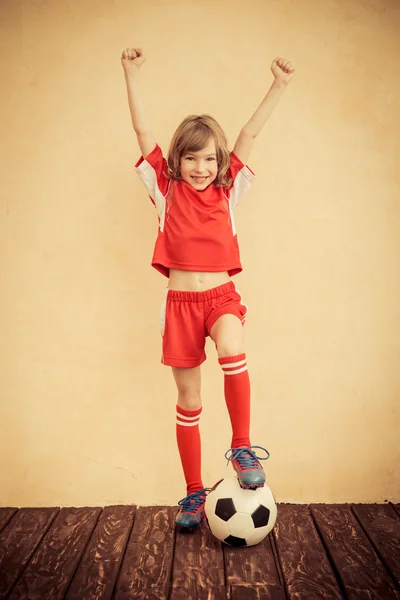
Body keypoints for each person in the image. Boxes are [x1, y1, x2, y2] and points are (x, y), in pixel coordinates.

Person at [121, 47, 295, 532]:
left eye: (209, 158)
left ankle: (242, 447)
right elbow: (142, 131)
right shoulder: (164, 187)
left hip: (220, 298)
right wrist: (131, 74)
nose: (200, 167)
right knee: (190, 401)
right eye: (191, 157)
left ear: (220, 162)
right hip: (179, 305)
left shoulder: (228, 188)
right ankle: (194, 495)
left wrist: (278, 86)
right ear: (177, 160)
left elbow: (250, 133)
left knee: (233, 346)